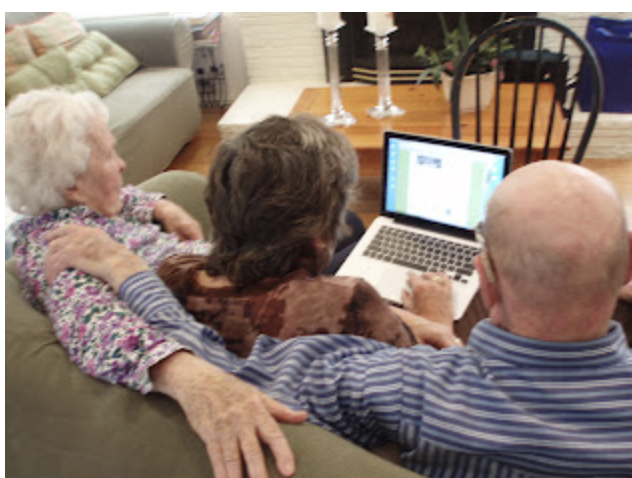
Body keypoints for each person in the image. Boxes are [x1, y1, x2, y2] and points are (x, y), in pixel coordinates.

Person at [46, 159, 632, 477]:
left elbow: (223, 372)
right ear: (626, 267)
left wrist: (126, 270)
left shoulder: (407, 387)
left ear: (486, 276)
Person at [7, 89, 456, 478]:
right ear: (71, 187)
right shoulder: (61, 255)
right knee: (345, 235)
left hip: (221, 274)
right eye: (108, 155)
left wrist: (157, 205)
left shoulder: (75, 213)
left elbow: (122, 197)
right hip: (253, 301)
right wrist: (193, 378)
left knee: (351, 225)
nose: (123, 164)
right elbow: (97, 327)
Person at [156, 114, 455, 357]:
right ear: (318, 237)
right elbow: (430, 380)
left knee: (352, 225)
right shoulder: (348, 303)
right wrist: (434, 318)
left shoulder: (173, 275)